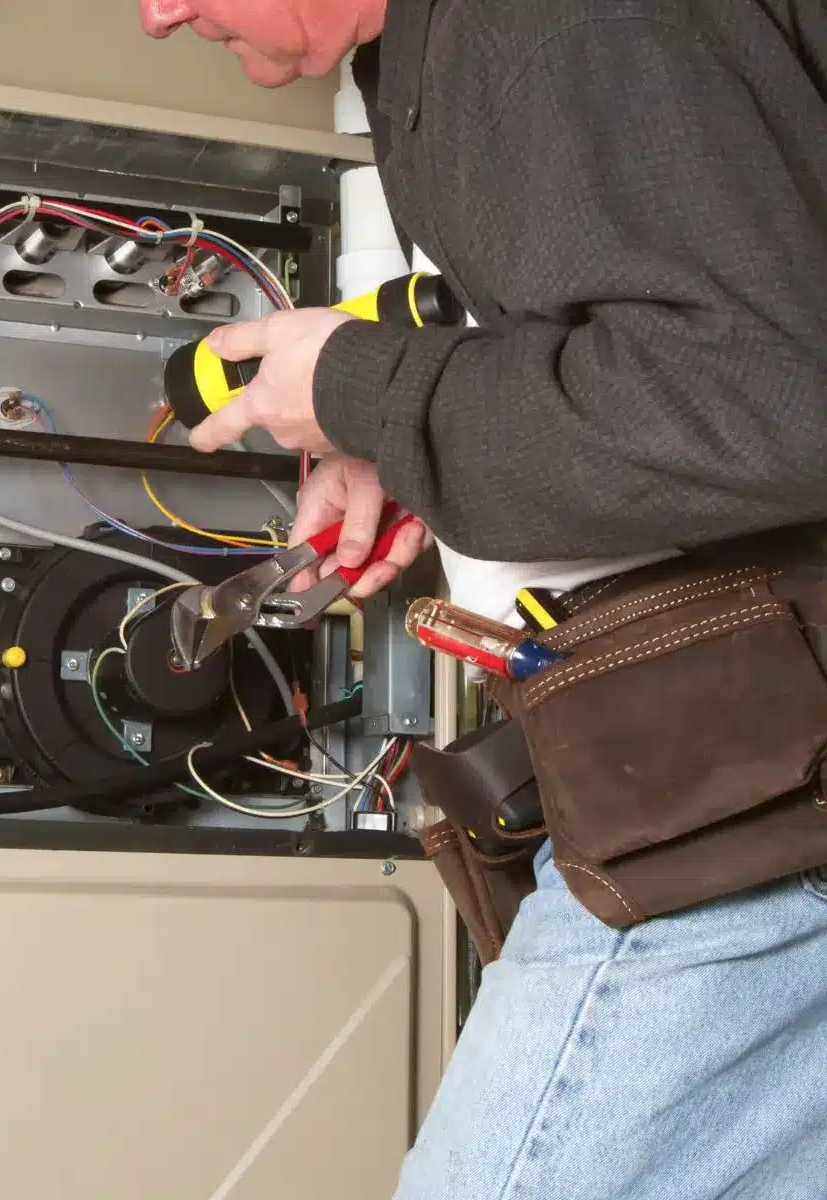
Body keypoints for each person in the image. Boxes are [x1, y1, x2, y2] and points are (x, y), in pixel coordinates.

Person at [140, 2, 827, 1198]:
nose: (157, 14)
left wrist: (368, 391)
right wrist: (411, 452)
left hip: (751, 785)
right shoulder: (447, 52)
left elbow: (761, 405)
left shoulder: (538, 23)